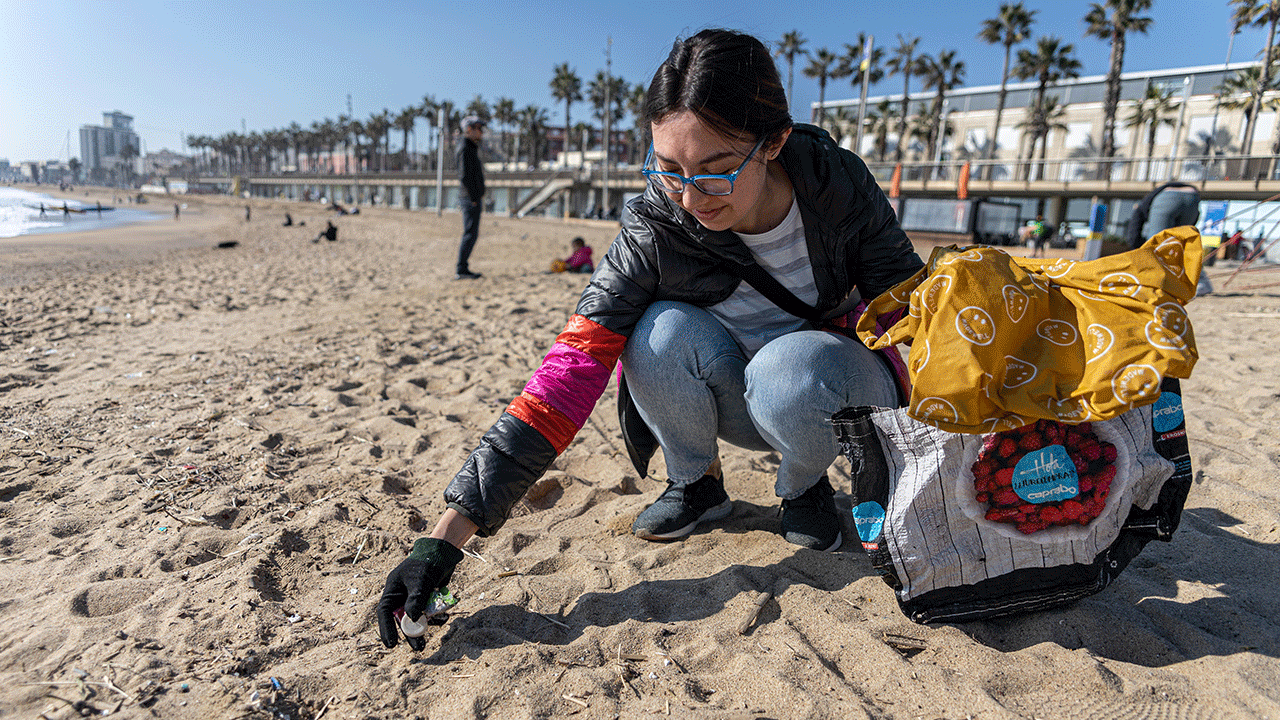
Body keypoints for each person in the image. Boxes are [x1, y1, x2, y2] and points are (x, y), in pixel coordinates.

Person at [376, 29, 923, 651]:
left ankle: (804, 488)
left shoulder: (836, 184)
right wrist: (443, 541)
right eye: (668, 170)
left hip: (833, 389)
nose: (690, 198)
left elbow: (916, 315)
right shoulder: (655, 226)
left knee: (789, 370)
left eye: (717, 172)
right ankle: (697, 483)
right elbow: (567, 373)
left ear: (774, 142)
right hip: (740, 397)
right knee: (653, 331)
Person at [455, 115, 487, 280]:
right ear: (469, 129)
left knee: (472, 233)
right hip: (469, 198)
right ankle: (461, 269)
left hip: (471, 197)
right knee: (470, 234)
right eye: (478, 128)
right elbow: (464, 175)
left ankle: (463, 268)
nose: (481, 132)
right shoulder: (465, 147)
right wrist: (474, 197)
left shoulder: (470, 147)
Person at [1126, 181, 1200, 250]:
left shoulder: (1140, 208)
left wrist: (1137, 247)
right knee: (1178, 245)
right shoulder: (1147, 202)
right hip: (1193, 197)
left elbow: (1133, 232)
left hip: (1168, 196)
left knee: (1156, 246)